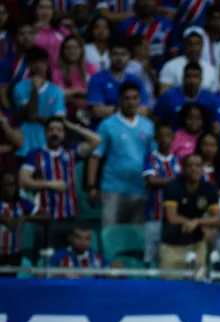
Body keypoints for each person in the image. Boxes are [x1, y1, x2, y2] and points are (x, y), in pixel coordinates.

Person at [20, 117, 100, 247]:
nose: (55, 133)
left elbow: (96, 140)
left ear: (64, 133)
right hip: (45, 217)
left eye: (59, 130)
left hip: (69, 217)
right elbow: (23, 180)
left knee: (65, 259)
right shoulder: (35, 154)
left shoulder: (71, 153)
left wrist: (72, 126)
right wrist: (49, 184)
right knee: (45, 258)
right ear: (45, 134)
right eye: (51, 130)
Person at [87, 82, 155, 229]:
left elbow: (153, 157)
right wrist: (92, 186)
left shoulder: (148, 126)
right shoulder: (107, 125)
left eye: (134, 98)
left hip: (140, 190)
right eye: (126, 98)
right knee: (110, 232)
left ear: (139, 100)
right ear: (119, 100)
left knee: (136, 236)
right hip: (113, 189)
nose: (130, 102)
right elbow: (95, 157)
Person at [161, 152, 220, 270]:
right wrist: (198, 224)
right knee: (170, 286)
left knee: (197, 285)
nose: (194, 169)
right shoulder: (172, 187)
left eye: (198, 166)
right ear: (183, 168)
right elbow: (172, 217)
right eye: (190, 166)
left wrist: (197, 222)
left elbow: (218, 218)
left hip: (197, 245)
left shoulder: (210, 188)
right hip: (172, 246)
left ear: (203, 168)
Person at [13, 46, 66, 157]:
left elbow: (59, 121)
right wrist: (35, 91)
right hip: (25, 145)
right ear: (29, 65)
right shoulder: (19, 88)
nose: (38, 65)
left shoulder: (56, 91)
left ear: (47, 64)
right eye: (34, 62)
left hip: (47, 145)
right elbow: (30, 113)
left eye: (42, 62)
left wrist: (36, 118)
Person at [143, 122, 181, 266]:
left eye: (168, 136)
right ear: (156, 138)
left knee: (169, 253)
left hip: (174, 217)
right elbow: (151, 180)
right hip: (154, 213)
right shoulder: (150, 158)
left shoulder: (179, 160)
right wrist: (176, 182)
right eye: (161, 136)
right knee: (150, 253)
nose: (165, 139)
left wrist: (164, 181)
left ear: (173, 138)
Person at [0, 171, 35, 266]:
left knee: (11, 278)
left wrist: (25, 218)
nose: (10, 189)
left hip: (15, 253)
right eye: (6, 185)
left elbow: (46, 216)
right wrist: (3, 219)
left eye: (13, 185)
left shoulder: (21, 202)